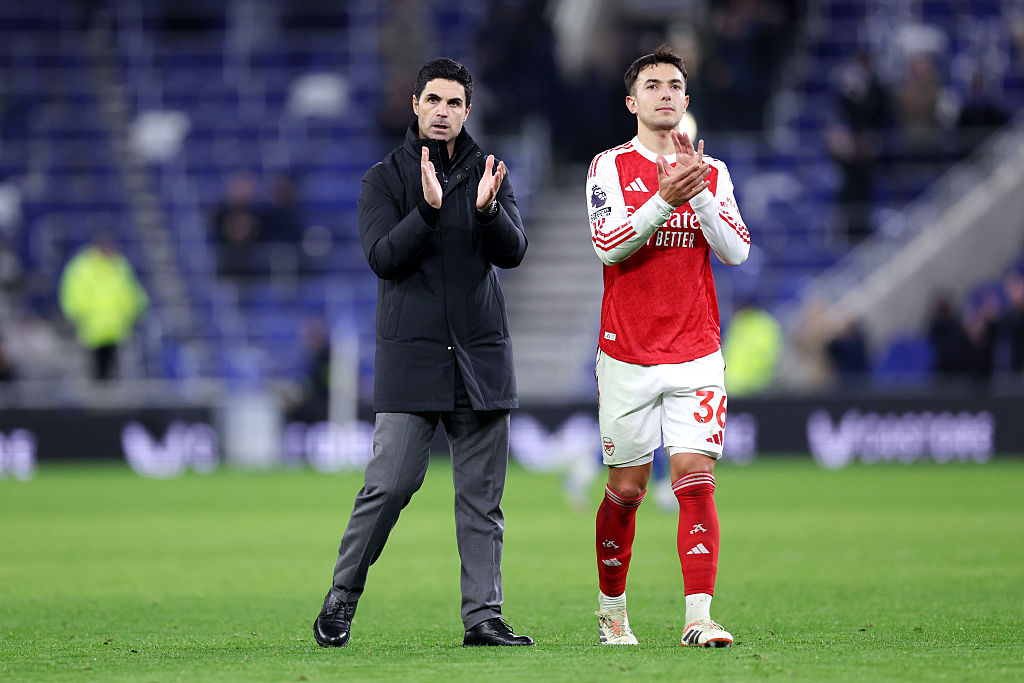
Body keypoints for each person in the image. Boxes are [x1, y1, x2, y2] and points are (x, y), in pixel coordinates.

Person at [313, 58, 533, 648]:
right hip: (412, 361)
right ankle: (341, 598)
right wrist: (430, 211)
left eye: (454, 103)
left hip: (480, 360)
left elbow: (513, 253)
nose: (443, 112)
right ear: (415, 105)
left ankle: (483, 618)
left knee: (482, 502)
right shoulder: (383, 179)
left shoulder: (491, 172)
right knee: (389, 483)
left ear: (467, 110)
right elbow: (384, 257)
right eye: (433, 100)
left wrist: (487, 211)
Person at [585, 45, 750, 647]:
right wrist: (664, 198)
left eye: (675, 85)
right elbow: (608, 245)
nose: (665, 93)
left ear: (686, 100)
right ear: (633, 102)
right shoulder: (608, 166)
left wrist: (698, 193)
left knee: (695, 480)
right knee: (626, 491)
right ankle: (611, 611)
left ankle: (698, 618)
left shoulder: (716, 172)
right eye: (652, 85)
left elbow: (736, 252)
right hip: (627, 354)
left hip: (698, 352)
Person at [58, 233, 149, 380]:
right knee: (96, 376)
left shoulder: (120, 266)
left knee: (116, 376)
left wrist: (136, 310)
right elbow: (71, 295)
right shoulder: (82, 267)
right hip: (91, 332)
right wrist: (78, 315)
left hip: (118, 330)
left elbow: (132, 292)